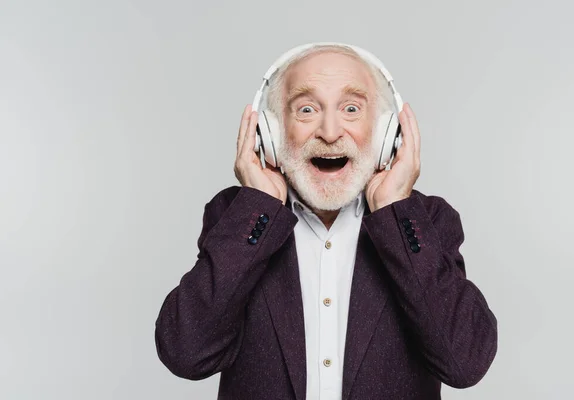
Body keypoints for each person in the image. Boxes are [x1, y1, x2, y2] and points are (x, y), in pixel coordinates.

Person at [154, 42, 498, 400]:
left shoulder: (426, 220)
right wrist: (258, 207)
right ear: (270, 133)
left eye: (351, 109)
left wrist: (396, 211)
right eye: (306, 109)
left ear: (385, 133)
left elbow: (464, 362)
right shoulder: (235, 215)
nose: (330, 132)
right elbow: (186, 354)